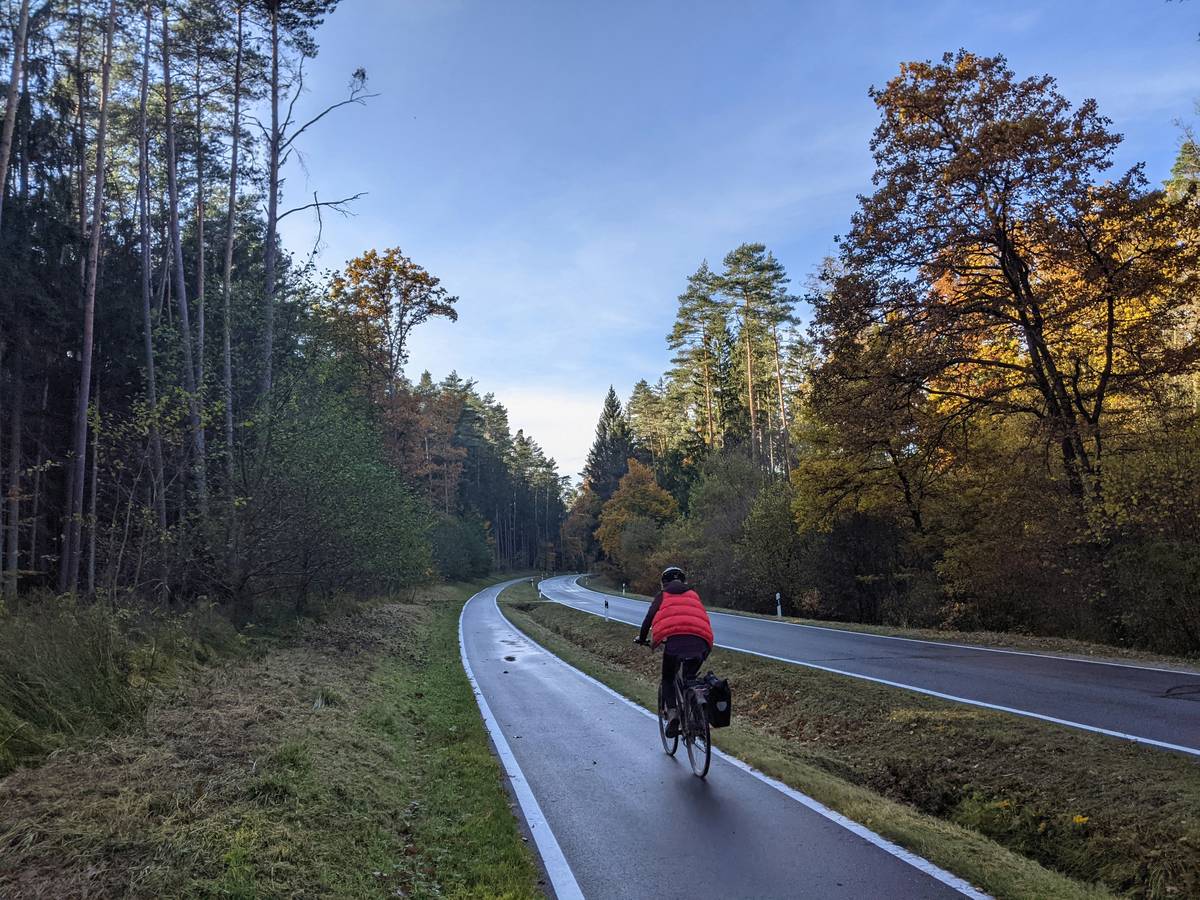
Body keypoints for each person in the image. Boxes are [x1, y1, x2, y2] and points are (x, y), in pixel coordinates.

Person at [635, 566, 714, 737]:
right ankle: (697, 704)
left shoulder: (662, 596)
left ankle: (672, 716)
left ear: (664, 583)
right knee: (690, 678)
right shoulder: (694, 595)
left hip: (675, 645)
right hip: (701, 642)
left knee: (668, 679)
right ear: (684, 581)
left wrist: (642, 638)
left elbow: (649, 618)